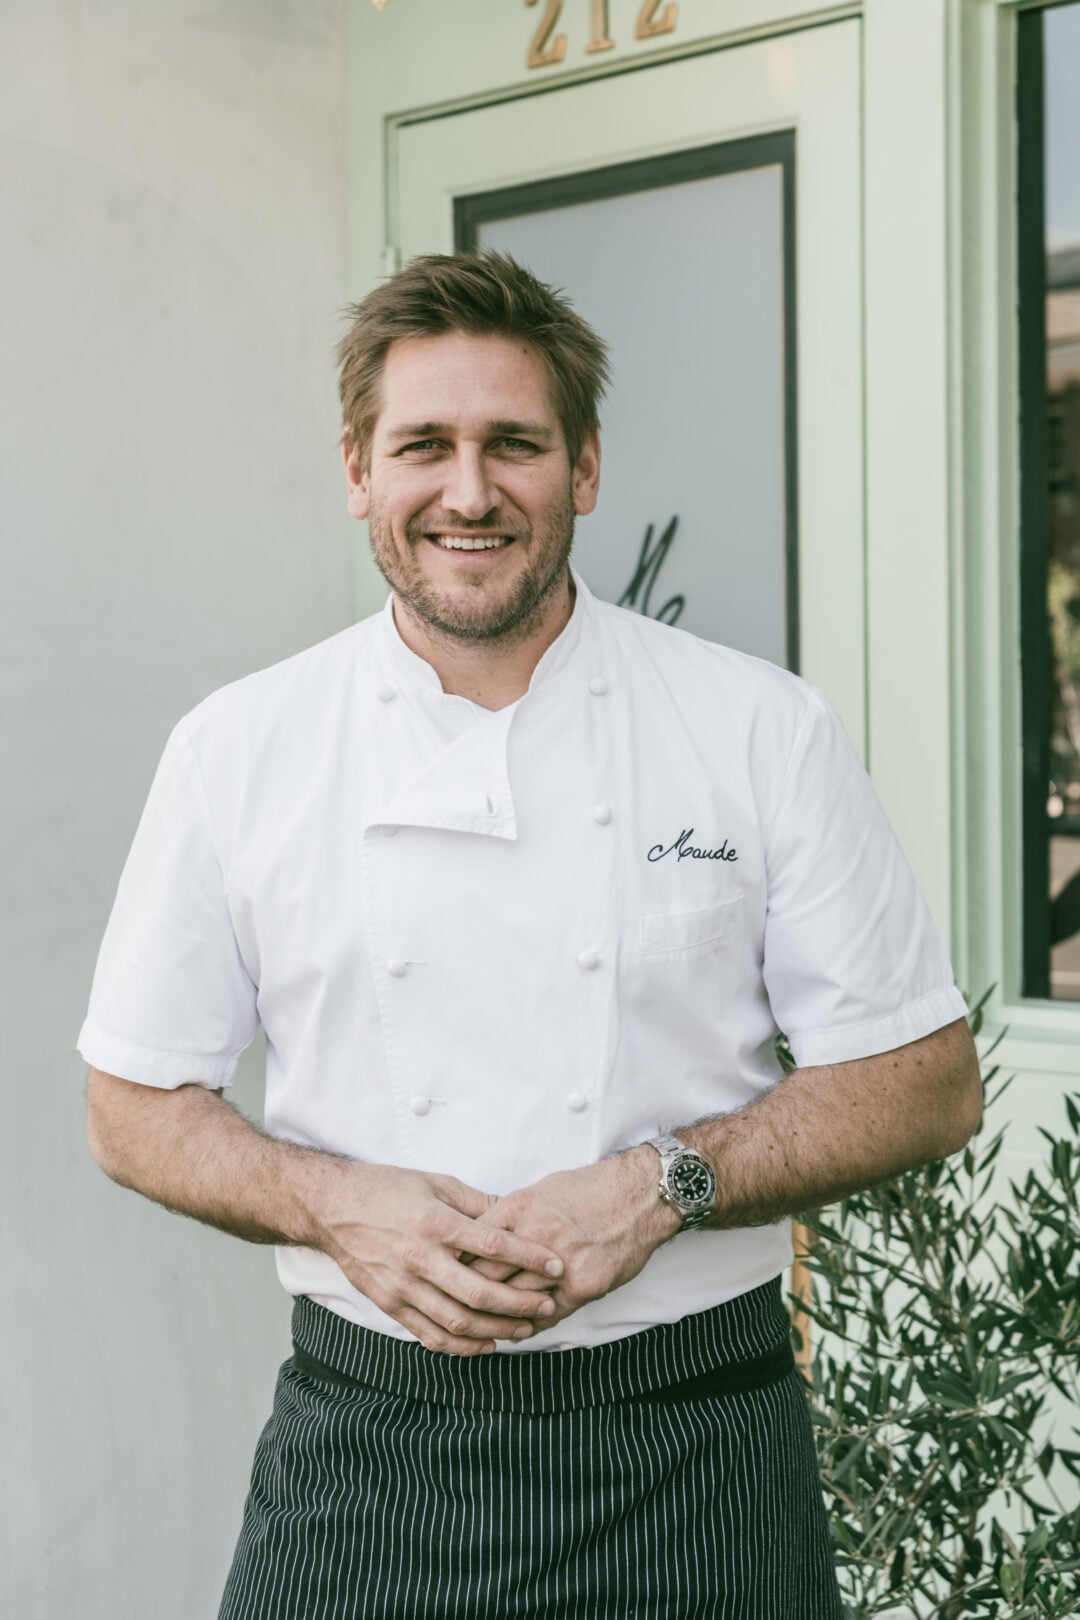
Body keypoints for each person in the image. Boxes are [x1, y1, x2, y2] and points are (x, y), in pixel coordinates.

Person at [80, 250, 983, 1620]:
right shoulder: (240, 749)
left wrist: (658, 1186)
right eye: (422, 446)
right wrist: (340, 1205)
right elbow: (131, 1103)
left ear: (587, 466)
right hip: (363, 1450)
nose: (469, 489)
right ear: (358, 474)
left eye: (516, 444)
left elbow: (924, 1081)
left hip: (696, 1443)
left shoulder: (755, 727)